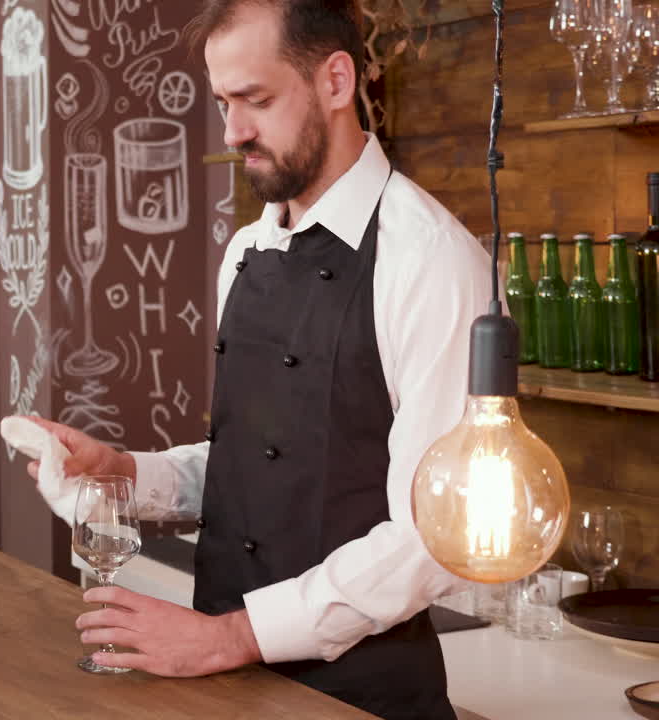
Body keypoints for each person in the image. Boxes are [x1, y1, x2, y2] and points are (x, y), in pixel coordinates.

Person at [29, 2, 492, 718]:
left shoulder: (433, 261)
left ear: (337, 81)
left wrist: (230, 638)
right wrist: (126, 473)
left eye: (257, 100)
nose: (232, 131)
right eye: (223, 102)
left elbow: (432, 539)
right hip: (230, 688)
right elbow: (262, 462)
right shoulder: (249, 249)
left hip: (360, 698)